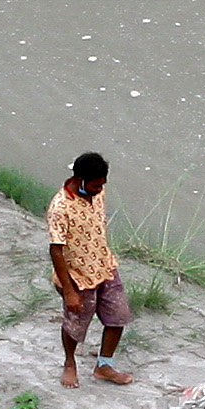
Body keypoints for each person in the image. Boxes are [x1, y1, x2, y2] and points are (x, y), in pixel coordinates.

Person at [47, 153, 131, 386]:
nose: (99, 189)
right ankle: (69, 363)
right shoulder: (60, 207)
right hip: (76, 276)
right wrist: (69, 290)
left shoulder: (98, 193)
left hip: (104, 266)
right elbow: (56, 251)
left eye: (102, 184)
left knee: (118, 316)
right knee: (76, 325)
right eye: (95, 185)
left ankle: (105, 365)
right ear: (80, 179)